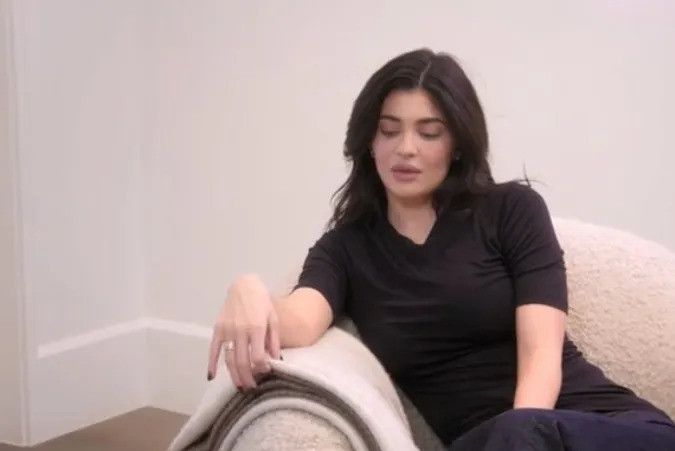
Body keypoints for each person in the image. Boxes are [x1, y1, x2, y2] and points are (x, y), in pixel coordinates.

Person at [206, 49, 675, 450]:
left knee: (521, 433)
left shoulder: (512, 210)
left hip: (604, 428)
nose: (406, 148)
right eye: (389, 130)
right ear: (368, 142)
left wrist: (521, 435)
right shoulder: (346, 249)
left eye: (429, 132)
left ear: (457, 145)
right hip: (489, 441)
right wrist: (248, 290)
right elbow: (300, 320)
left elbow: (541, 358)